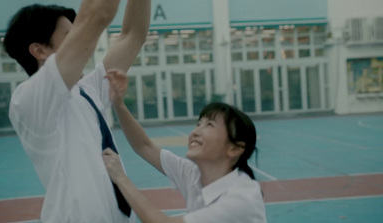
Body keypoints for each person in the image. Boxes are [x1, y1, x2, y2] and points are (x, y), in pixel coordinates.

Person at [3, 0, 150, 222]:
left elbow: (132, 35)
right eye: (70, 36)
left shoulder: (87, 89)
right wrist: (89, 22)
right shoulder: (30, 99)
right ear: (40, 50)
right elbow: (98, 13)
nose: (81, 41)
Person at [102, 69, 267, 223]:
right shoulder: (193, 174)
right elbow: (144, 146)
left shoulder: (241, 198)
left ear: (235, 148)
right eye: (198, 124)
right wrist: (119, 105)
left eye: (209, 125)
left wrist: (120, 178)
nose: (195, 131)